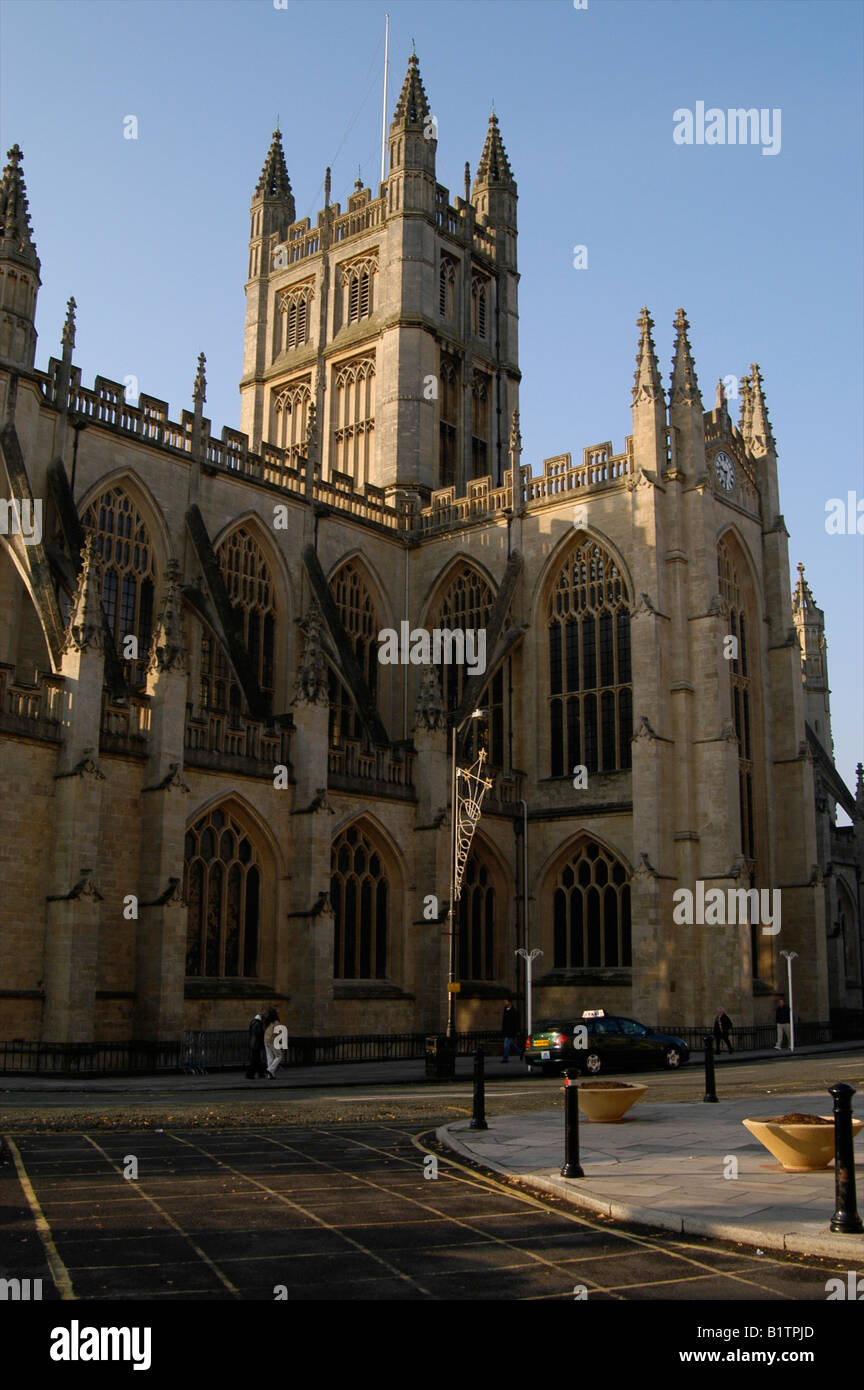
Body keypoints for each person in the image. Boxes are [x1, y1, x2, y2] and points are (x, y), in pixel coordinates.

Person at [245, 1006, 268, 1079]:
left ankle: (260, 1073)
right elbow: (259, 1033)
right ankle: (251, 1074)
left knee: (257, 1060)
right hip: (256, 1044)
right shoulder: (257, 1023)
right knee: (255, 1060)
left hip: (254, 1043)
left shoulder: (253, 1022)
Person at [264, 1007, 286, 1078]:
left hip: (266, 1039)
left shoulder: (267, 1021)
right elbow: (277, 1033)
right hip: (272, 1040)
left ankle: (270, 1075)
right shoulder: (276, 1022)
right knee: (279, 1056)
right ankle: (270, 1070)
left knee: (269, 1057)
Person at [501, 998, 521, 1062]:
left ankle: (505, 1059)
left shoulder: (514, 1011)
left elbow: (517, 1022)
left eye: (506, 1001)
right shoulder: (505, 1010)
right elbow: (504, 1021)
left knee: (506, 1045)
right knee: (511, 1044)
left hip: (511, 1031)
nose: (505, 1003)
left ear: (510, 1002)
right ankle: (520, 1052)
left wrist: (518, 1031)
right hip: (506, 1030)